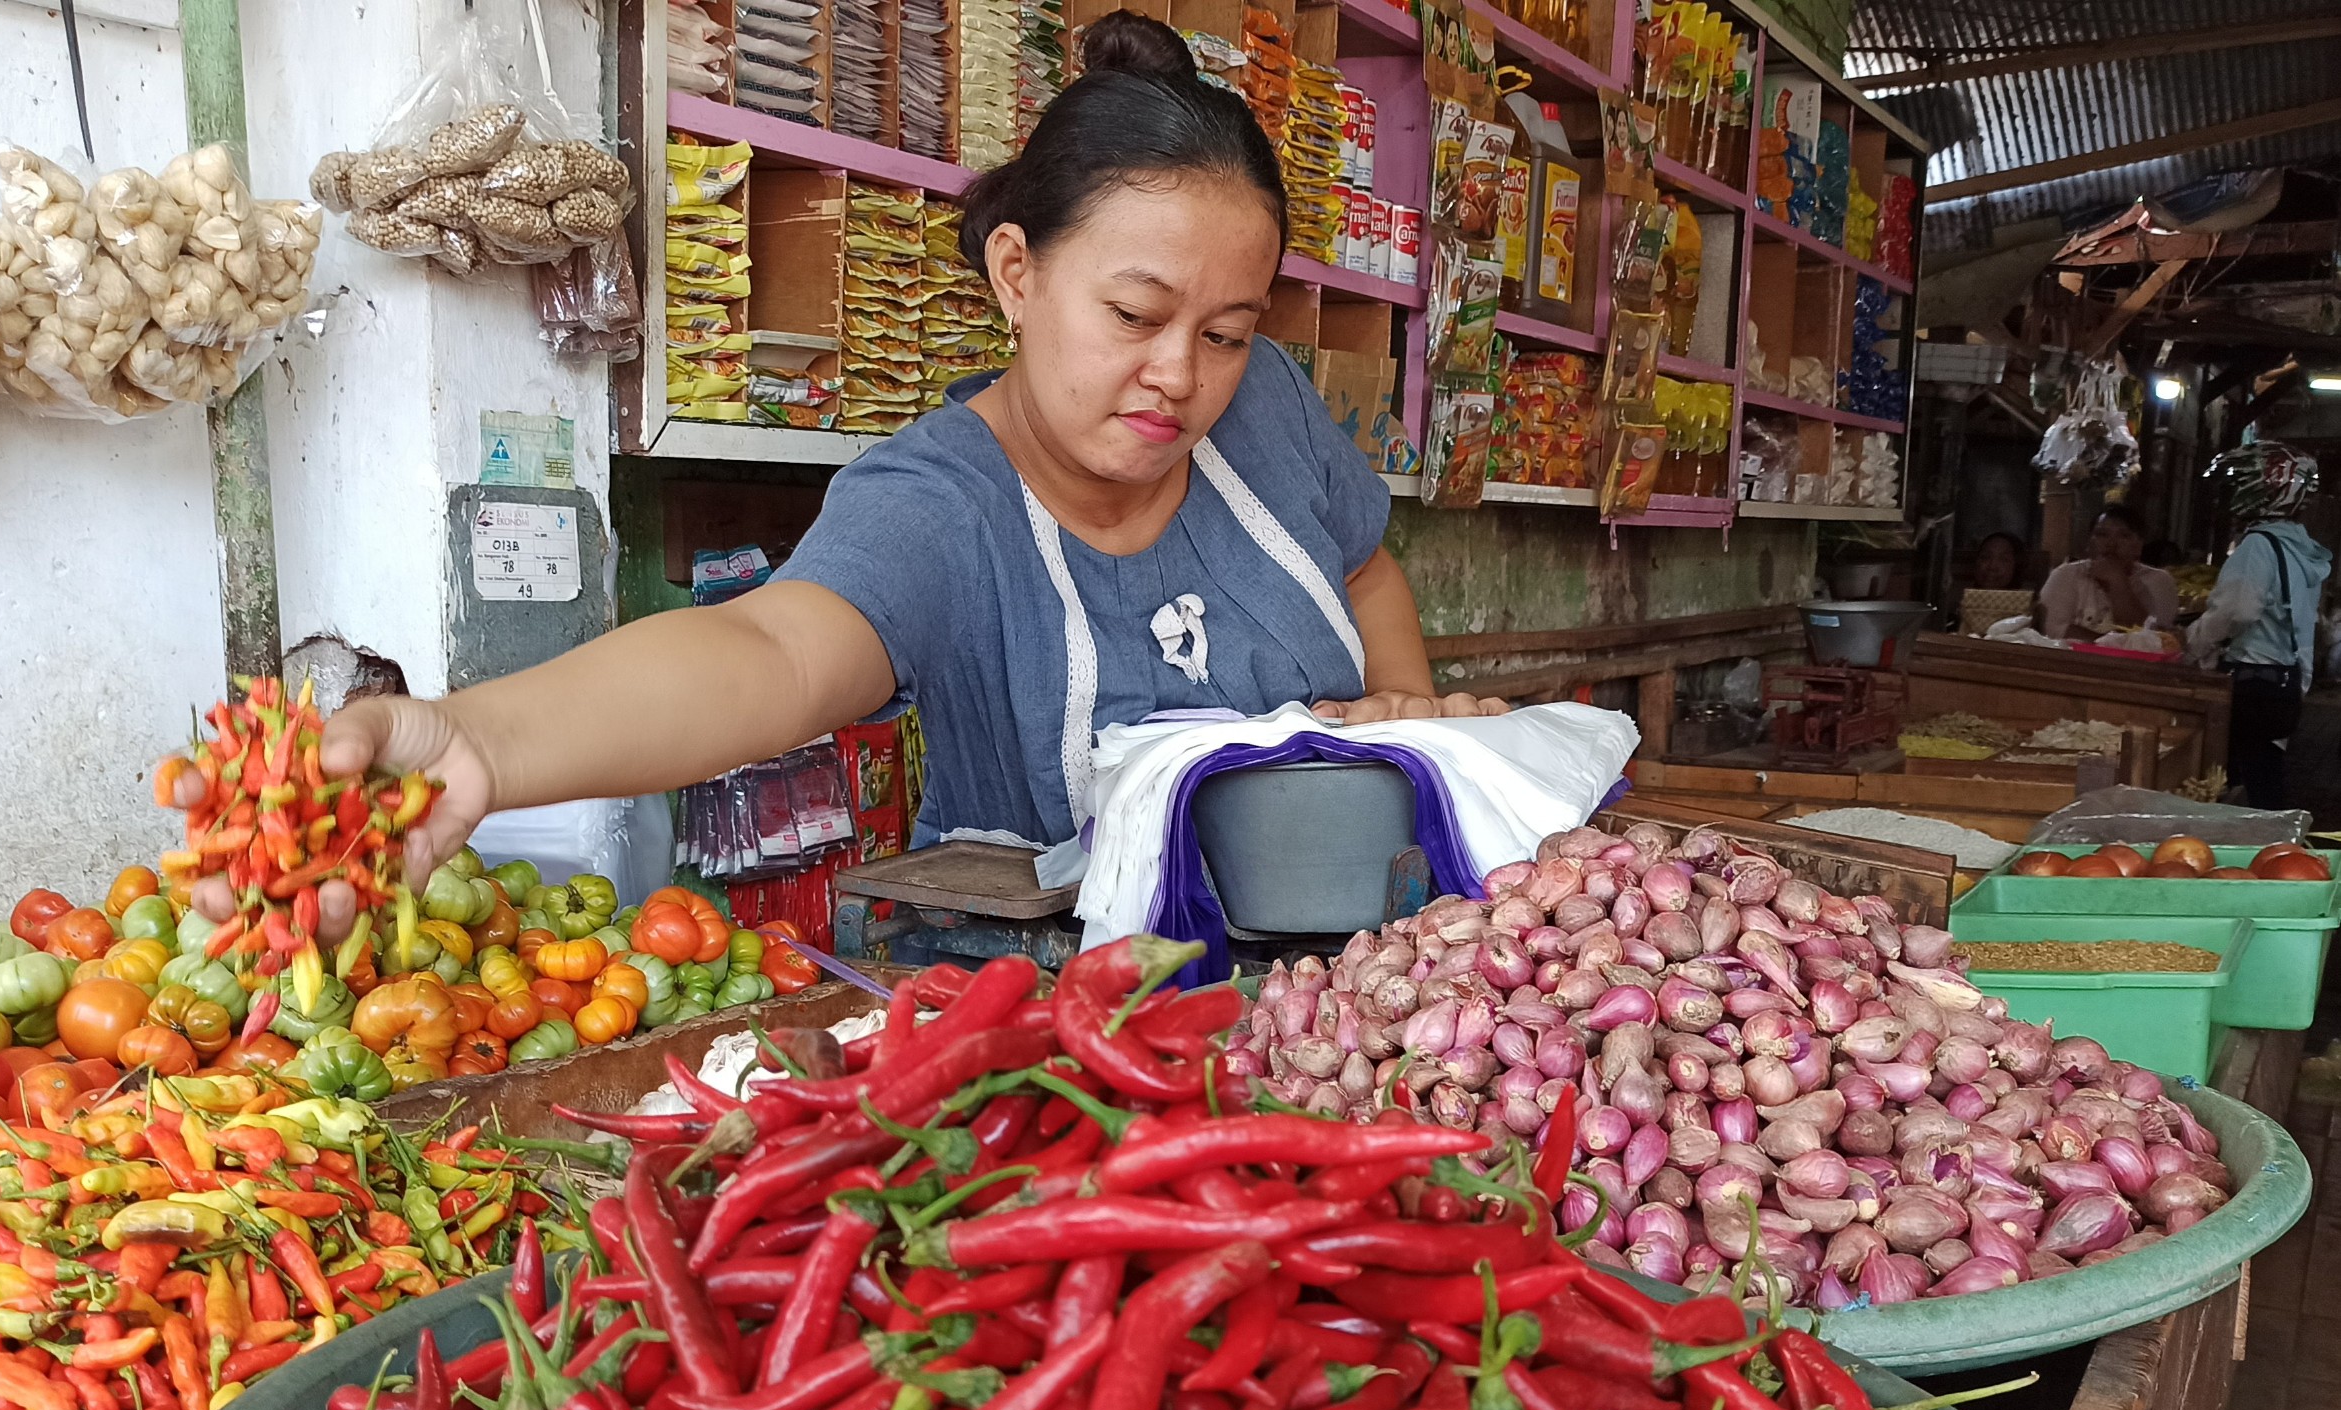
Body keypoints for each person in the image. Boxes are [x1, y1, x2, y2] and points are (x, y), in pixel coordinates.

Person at [185, 11, 1503, 937]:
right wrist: (475, 741)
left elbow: (1359, 559)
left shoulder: (1266, 409)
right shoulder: (939, 506)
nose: (1180, 372)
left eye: (1221, 332)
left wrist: (1405, 715)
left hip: (1357, 975)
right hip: (1076, 1043)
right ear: (1015, 273)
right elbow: (763, 653)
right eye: (1134, 315)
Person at [2186, 442, 2328, 807]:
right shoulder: (2296, 548)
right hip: (2283, 679)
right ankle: (2277, 848)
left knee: (2240, 779)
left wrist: (2194, 640)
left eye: (2239, 482)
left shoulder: (2258, 545)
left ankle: (2265, 852)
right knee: (2266, 773)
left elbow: (2238, 611)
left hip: (2252, 682)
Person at [2036, 504, 2179, 641]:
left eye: (2124, 536)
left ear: (2139, 545)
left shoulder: (2159, 581)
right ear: (2089, 542)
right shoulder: (2065, 574)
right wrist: (2113, 645)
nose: (2111, 544)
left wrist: (2118, 583)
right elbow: (2054, 631)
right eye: (2102, 534)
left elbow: (2154, 639)